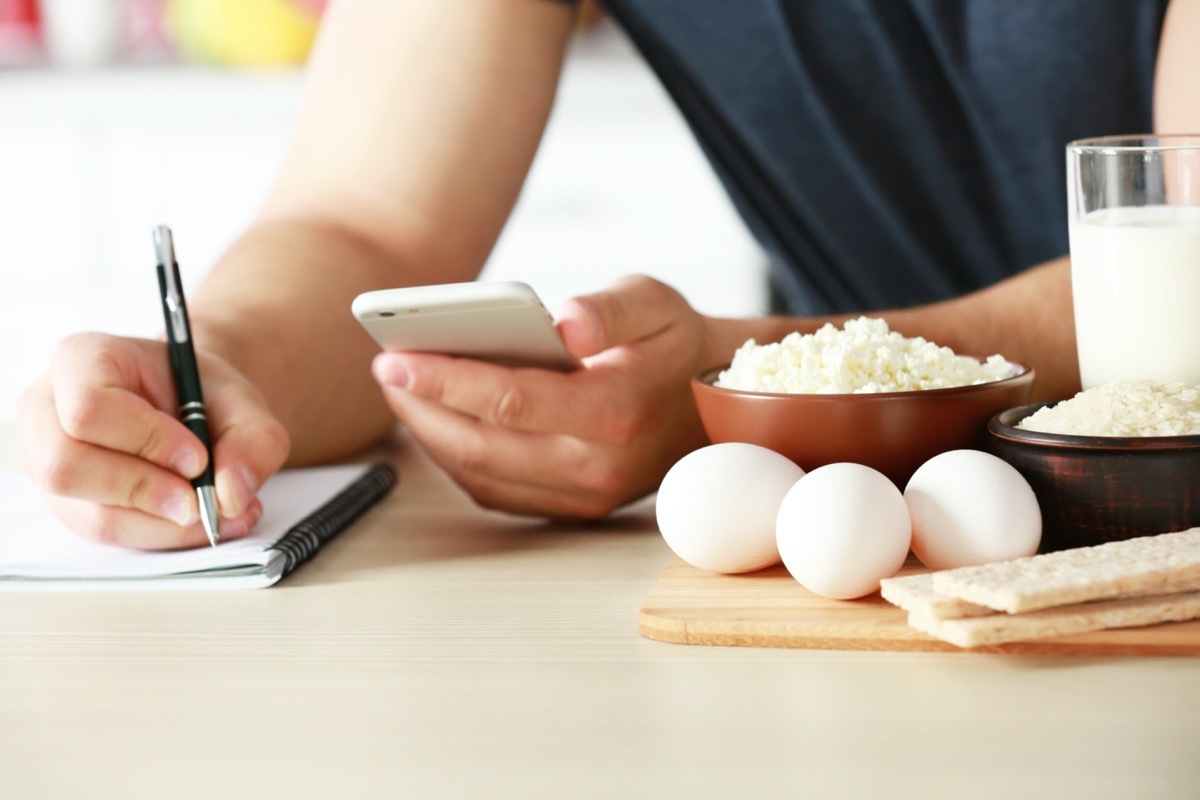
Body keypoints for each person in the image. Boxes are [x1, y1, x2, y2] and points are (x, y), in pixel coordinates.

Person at [17, 0, 1198, 550]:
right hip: (832, 554)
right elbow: (364, 217)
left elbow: (1187, 253)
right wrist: (220, 359)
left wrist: (744, 388)